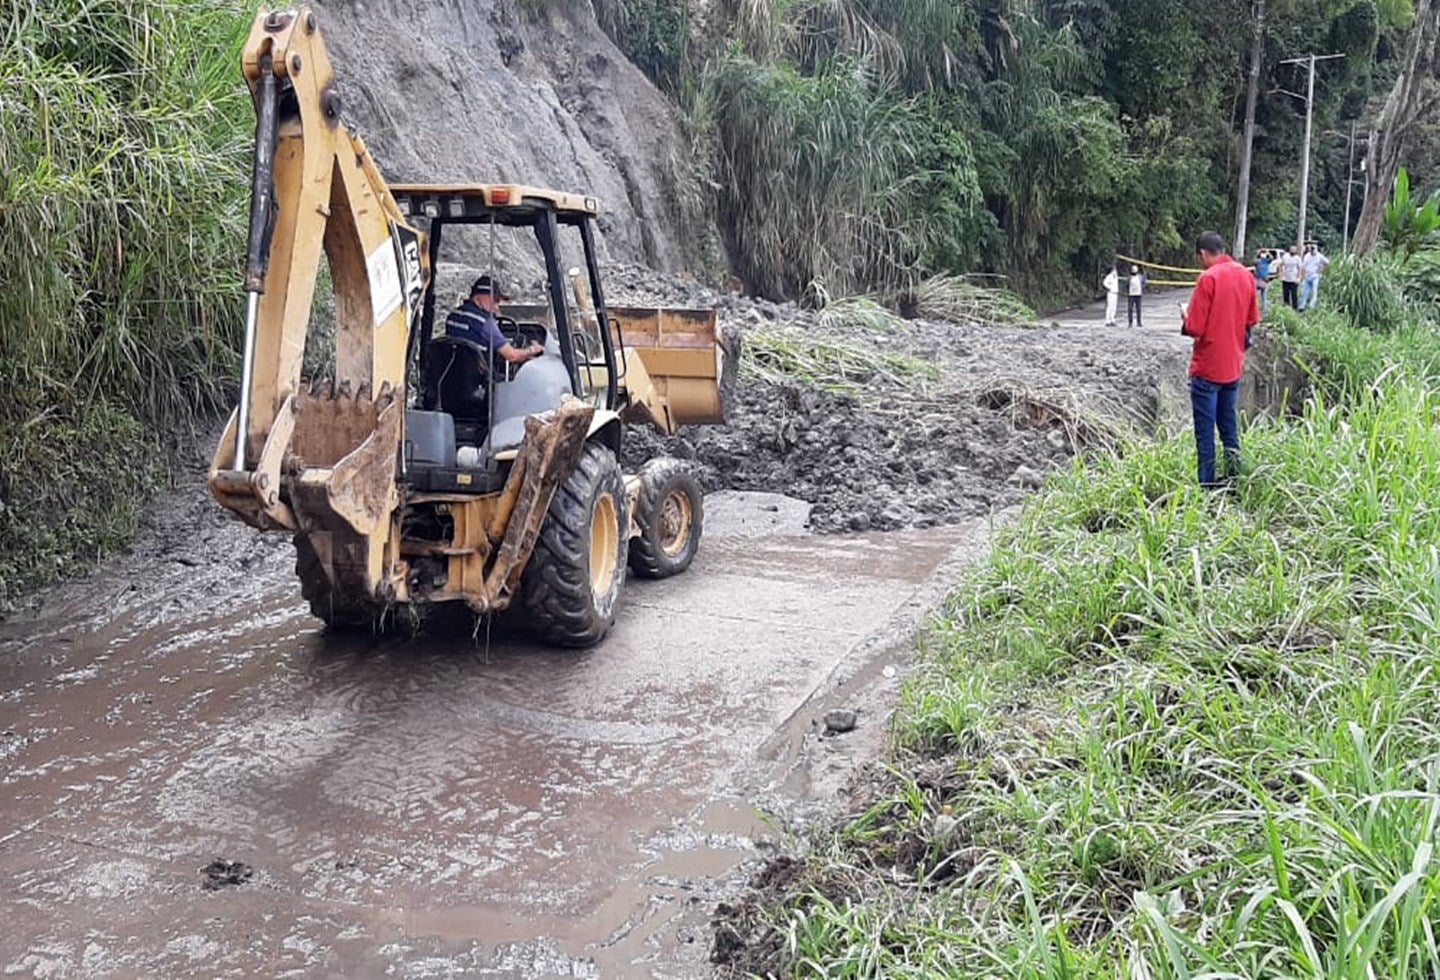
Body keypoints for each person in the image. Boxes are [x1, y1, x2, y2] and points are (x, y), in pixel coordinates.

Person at [1181, 231, 1259, 488]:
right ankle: (1235, 480)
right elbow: (1252, 320)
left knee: (1205, 434)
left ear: (1203, 253)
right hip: (1232, 367)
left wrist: (1185, 316)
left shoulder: (1208, 278)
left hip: (1207, 368)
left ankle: (1207, 488)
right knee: (1229, 428)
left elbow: (1195, 327)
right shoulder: (1245, 275)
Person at [445, 274, 543, 365]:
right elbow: (512, 356)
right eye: (495, 300)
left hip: (452, 371)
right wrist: (533, 350)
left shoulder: (452, 317)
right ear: (479, 297)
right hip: (479, 375)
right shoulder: (485, 323)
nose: (497, 307)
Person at [1297, 241, 1330, 312]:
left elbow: (1327, 263)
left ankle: (1311, 307)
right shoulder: (1307, 256)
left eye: (1313, 248)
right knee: (1304, 292)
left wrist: (1321, 270)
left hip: (1315, 276)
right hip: (1307, 276)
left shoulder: (1319, 256)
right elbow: (1303, 266)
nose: (1312, 250)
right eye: (1311, 248)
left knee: (1314, 291)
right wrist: (1302, 276)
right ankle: (1302, 306)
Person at [1279, 244, 1302, 310]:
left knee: (1294, 295)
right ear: (1289, 250)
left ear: (1296, 251)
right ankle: (1286, 308)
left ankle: (1295, 308)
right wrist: (1281, 275)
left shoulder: (1297, 258)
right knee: (1285, 294)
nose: (1293, 251)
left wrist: (1299, 278)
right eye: (1292, 249)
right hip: (1286, 279)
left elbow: (1300, 268)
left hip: (1294, 280)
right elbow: (1280, 265)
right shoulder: (1285, 256)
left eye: (1294, 250)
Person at [1253, 248, 1273, 315]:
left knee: (1264, 296)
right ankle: (1256, 309)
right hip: (1258, 279)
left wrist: (1267, 252)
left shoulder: (1266, 261)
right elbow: (1254, 261)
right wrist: (1258, 253)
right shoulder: (1258, 261)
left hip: (1264, 279)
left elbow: (1271, 258)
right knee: (1256, 296)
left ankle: (1264, 310)